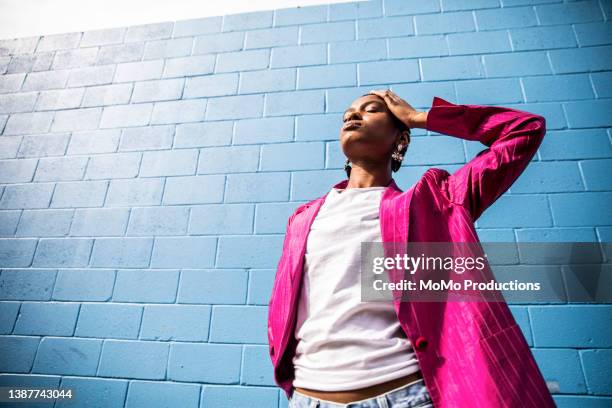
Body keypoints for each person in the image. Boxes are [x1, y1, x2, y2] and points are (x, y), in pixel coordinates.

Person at [267, 90, 556, 407]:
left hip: (405, 397)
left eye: (372, 109)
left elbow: (524, 129)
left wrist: (420, 118)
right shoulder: (303, 218)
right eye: (347, 113)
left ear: (401, 140)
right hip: (309, 398)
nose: (352, 115)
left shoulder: (435, 202)